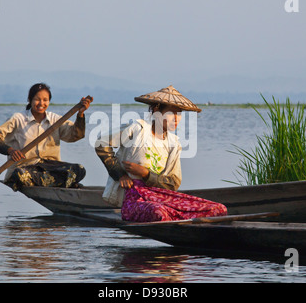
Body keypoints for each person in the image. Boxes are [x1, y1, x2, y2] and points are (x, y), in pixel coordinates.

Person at [95, 85, 227, 222]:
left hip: (161, 197)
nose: (176, 119)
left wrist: (145, 174)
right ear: (157, 111)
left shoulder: (174, 144)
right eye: (171, 113)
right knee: (159, 212)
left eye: (179, 114)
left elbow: (173, 184)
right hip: (135, 198)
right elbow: (101, 143)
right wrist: (120, 174)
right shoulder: (138, 129)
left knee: (218, 209)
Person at [0, 82, 92, 191]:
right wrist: (10, 150)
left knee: (79, 169)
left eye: (45, 100)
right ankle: (60, 183)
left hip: (50, 167)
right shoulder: (18, 119)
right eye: (37, 99)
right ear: (30, 99)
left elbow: (76, 135)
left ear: (49, 101)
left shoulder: (55, 120)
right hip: (25, 168)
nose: (41, 103)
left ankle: (51, 182)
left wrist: (80, 115)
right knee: (20, 175)